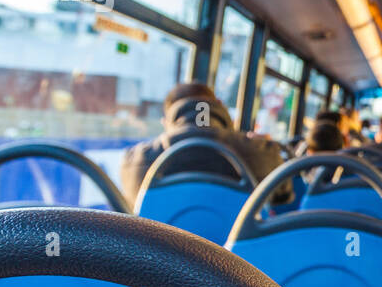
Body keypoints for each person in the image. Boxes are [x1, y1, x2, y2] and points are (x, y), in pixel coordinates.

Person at [120, 82, 286, 206]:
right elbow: (284, 196)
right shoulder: (262, 150)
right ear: (219, 105)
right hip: (235, 253)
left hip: (160, 251)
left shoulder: (134, 161)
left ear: (167, 121)